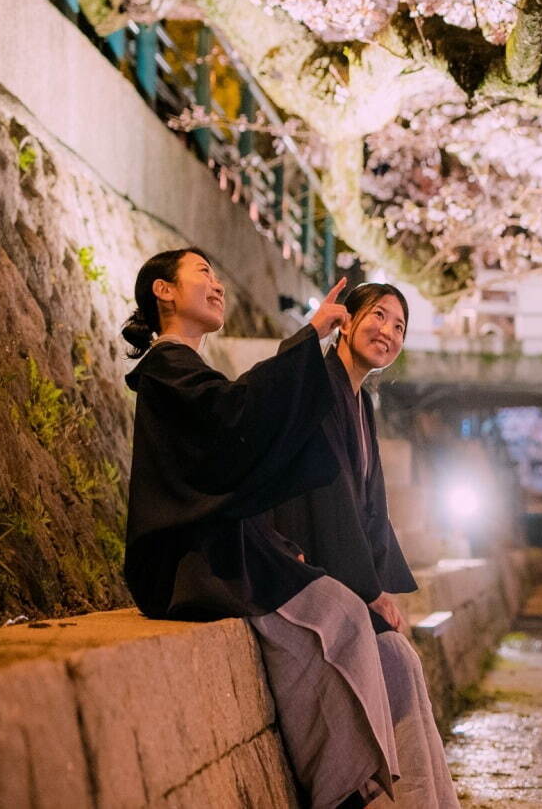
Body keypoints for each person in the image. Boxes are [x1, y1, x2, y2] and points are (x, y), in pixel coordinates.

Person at [120, 249, 419, 809]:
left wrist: (283, 547)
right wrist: (306, 337)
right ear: (164, 291)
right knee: (343, 615)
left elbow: (243, 447)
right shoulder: (167, 368)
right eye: (203, 273)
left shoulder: (189, 370)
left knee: (364, 630)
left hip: (223, 546)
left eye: (400, 324)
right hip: (191, 561)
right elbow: (239, 424)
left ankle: (382, 788)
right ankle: (351, 790)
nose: (218, 284)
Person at [272, 283, 460, 809]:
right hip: (302, 563)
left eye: (400, 326)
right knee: (391, 659)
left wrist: (378, 583)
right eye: (378, 316)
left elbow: (370, 511)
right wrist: (371, 589)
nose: (389, 332)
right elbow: (330, 500)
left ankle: (427, 798)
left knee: (402, 658)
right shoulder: (318, 384)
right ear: (346, 323)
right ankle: (389, 795)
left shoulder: (361, 404)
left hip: (341, 569)